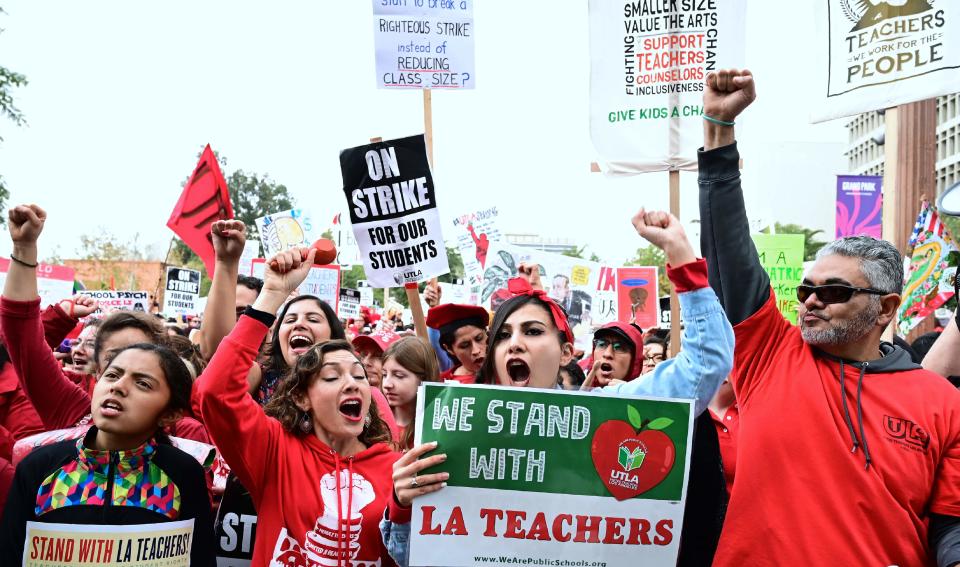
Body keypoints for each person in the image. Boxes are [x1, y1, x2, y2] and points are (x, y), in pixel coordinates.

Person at [698, 69, 960, 566]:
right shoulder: (768, 353)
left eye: (835, 291)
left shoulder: (943, 403)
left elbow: (952, 522)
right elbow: (728, 250)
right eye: (806, 290)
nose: (812, 301)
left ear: (885, 308)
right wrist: (717, 130)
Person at [384, 208, 734, 566]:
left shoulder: (609, 413)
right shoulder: (453, 431)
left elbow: (706, 366)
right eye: (503, 336)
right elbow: (411, 555)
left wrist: (681, 257)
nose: (515, 343)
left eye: (533, 332)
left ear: (567, 352)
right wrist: (402, 505)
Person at [197, 246, 402, 567]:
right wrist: (272, 295)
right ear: (300, 397)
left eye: (359, 375)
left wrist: (402, 508)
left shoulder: (394, 469)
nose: (350, 383)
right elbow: (215, 391)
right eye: (331, 377)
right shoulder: (275, 451)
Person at [0, 204, 209, 444]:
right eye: (114, 362)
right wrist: (24, 248)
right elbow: (22, 335)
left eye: (141, 377)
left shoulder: (186, 441)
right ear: (98, 371)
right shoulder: (74, 413)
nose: (120, 385)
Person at [0, 342, 216, 566]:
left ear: (170, 414)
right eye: (112, 375)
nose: (119, 387)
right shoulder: (38, 468)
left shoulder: (183, 473)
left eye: (142, 383)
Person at [380, 337, 440, 450]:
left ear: (423, 378)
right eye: (384, 374)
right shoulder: (372, 422)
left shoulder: (437, 429)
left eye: (399, 376)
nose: (387, 384)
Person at [425, 303, 488, 384]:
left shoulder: (506, 375)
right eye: (465, 345)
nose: (476, 351)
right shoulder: (440, 385)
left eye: (479, 338)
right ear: (449, 349)